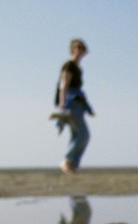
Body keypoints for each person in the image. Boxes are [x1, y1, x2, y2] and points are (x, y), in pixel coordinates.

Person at [56, 38, 94, 174]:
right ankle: (67, 160)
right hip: (70, 104)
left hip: (78, 104)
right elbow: (63, 85)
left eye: (82, 48)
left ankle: (71, 165)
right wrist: (62, 104)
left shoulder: (78, 69)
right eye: (78, 47)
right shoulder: (69, 66)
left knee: (75, 135)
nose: (80, 50)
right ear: (73, 49)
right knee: (84, 134)